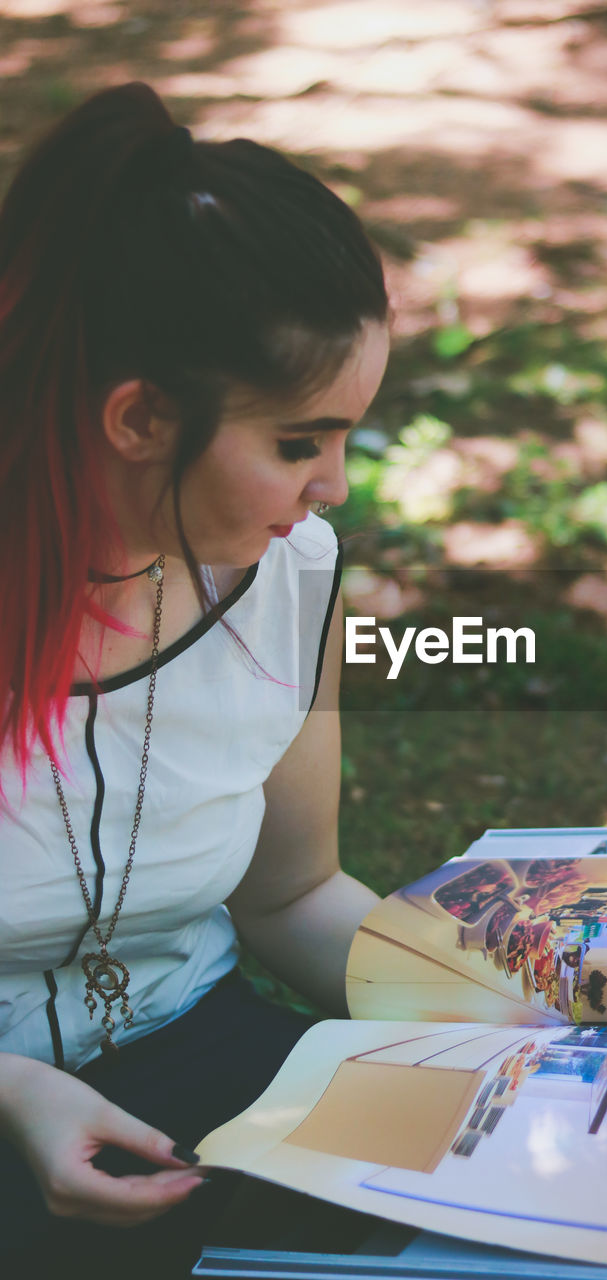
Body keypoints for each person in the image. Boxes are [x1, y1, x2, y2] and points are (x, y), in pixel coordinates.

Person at [0, 82, 388, 1277]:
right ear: (138, 417)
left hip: (194, 1053)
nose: (332, 488)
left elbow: (294, 892)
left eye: (347, 440)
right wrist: (15, 1093)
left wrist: (509, 1008)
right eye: (296, 442)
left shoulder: (289, 575)